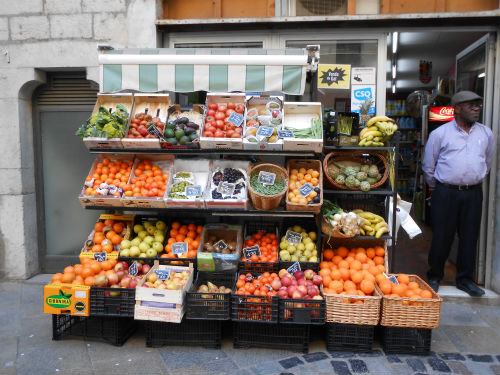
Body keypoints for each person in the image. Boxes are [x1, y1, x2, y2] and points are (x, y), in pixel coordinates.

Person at [422, 90, 494, 296]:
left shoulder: (486, 133)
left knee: (470, 237)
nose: (476, 108)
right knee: (442, 237)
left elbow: (487, 163)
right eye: (471, 105)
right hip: (445, 192)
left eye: (478, 105)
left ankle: (464, 280)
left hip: (473, 193)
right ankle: (435, 276)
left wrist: (473, 178)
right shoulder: (440, 134)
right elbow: (429, 166)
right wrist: (439, 188)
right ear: (458, 108)